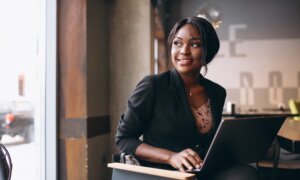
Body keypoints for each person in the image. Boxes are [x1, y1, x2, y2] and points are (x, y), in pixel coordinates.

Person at [115, 16, 260, 180]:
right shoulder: (152, 86)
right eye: (177, 43)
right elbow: (124, 139)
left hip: (201, 170)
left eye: (194, 44)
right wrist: (171, 157)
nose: (184, 50)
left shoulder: (217, 92)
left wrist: (249, 145)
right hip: (164, 172)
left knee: (247, 174)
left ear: (208, 51)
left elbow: (211, 142)